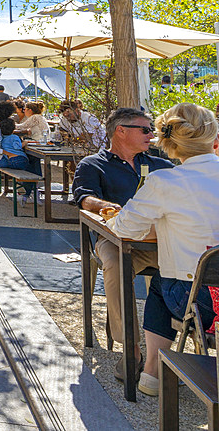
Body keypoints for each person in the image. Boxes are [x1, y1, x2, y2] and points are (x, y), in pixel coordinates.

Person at [106, 103, 219, 396]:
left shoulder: (165, 181)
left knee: (159, 284)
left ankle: (152, 372)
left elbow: (125, 229)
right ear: (213, 136)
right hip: (209, 298)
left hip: (200, 304)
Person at [72, 107, 174, 381]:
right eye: (145, 129)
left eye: (152, 129)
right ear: (121, 131)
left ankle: (182, 345)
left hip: (161, 241)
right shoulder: (92, 164)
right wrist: (106, 206)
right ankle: (130, 348)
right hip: (114, 238)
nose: (151, 135)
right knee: (116, 264)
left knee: (193, 262)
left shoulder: (160, 164)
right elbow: (84, 198)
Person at [0, 118, 40, 200]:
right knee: (31, 172)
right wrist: (25, 143)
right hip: (20, 159)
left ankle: (25, 189)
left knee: (25, 172)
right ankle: (30, 191)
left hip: (10, 161)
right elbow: (17, 146)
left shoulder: (1, 138)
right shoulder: (14, 137)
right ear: (13, 129)